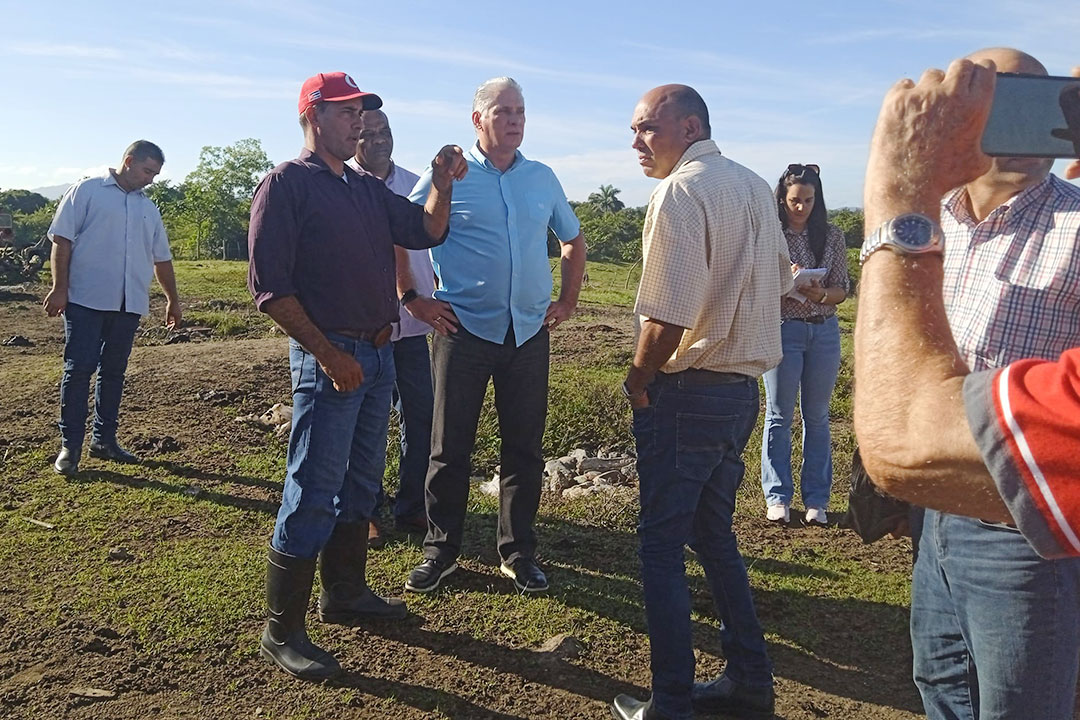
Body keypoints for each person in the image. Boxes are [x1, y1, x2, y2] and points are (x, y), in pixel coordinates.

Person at [854, 56, 1080, 720]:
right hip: (938, 508)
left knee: (1022, 705)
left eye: (1035, 99)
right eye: (991, 97)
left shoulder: (1073, 220)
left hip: (1026, 525)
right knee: (941, 682)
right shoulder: (938, 222)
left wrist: (897, 193)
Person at [247, 71, 466, 681]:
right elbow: (270, 290)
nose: (360, 123)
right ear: (314, 116)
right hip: (332, 359)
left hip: (377, 354)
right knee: (313, 485)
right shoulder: (285, 186)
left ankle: (345, 592)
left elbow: (427, 229)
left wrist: (442, 182)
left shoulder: (366, 191)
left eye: (362, 114)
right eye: (348, 113)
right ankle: (281, 629)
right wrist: (327, 353)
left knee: (361, 481)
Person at [611, 84, 791, 720]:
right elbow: (783, 281)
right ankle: (748, 682)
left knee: (661, 545)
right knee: (713, 536)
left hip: (687, 392)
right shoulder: (749, 186)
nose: (636, 142)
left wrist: (637, 379)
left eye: (645, 129)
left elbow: (665, 317)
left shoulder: (680, 192)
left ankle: (671, 701)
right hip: (740, 391)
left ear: (688, 127)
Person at [403, 77, 586, 595]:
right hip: (464, 330)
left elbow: (572, 239)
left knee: (524, 450)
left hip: (528, 332)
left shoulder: (542, 178)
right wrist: (412, 297)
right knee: (448, 447)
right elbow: (407, 234)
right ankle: (440, 551)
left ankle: (519, 552)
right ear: (478, 119)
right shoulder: (451, 175)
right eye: (504, 111)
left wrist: (567, 301)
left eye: (521, 111)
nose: (515, 120)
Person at [44, 141, 181, 475]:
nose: (151, 179)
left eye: (156, 174)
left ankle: (104, 439)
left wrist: (172, 300)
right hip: (85, 300)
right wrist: (59, 288)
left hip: (128, 302)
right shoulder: (87, 191)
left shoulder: (148, 208)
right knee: (79, 369)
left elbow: (161, 258)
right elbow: (62, 240)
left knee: (114, 372)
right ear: (129, 161)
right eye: (148, 171)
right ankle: (70, 446)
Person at [346, 108, 451, 545]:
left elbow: (438, 235)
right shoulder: (342, 185)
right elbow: (394, 251)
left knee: (421, 417)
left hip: (413, 328)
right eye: (367, 134)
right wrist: (408, 295)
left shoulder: (416, 184)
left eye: (384, 132)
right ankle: (365, 510)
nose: (378, 141)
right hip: (366, 327)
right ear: (352, 137)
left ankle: (412, 507)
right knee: (363, 424)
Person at [760, 163, 849, 525]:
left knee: (818, 417)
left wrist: (820, 292)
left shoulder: (832, 236)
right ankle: (777, 496)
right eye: (795, 200)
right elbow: (758, 284)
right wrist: (788, 282)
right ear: (782, 200)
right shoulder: (769, 235)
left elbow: (842, 289)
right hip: (784, 327)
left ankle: (817, 500)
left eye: (809, 200)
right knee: (779, 415)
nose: (802, 207)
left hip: (823, 329)